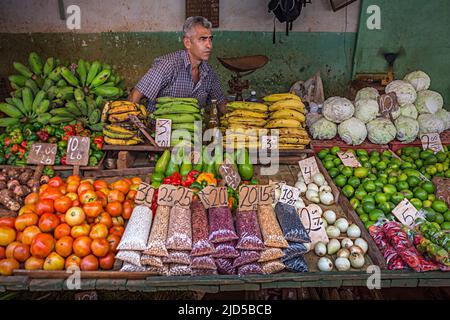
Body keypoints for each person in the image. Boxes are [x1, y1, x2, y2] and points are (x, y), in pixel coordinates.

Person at [128, 16, 227, 114]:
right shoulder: (167, 65)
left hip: (194, 128)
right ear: (187, 43)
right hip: (159, 128)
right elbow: (135, 96)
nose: (209, 45)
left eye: (210, 39)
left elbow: (221, 102)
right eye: (203, 39)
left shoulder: (208, 72)